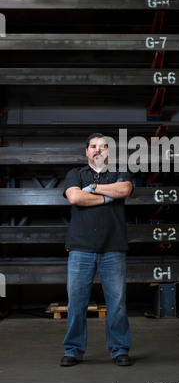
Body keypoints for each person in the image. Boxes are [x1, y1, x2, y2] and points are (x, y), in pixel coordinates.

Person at [60, 133, 133, 367]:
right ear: (87, 151)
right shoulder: (75, 174)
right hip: (80, 248)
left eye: (103, 147)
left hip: (113, 247)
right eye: (93, 146)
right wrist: (106, 197)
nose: (98, 150)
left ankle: (119, 349)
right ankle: (73, 350)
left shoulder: (120, 174)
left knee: (117, 303)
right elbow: (74, 197)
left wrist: (91, 189)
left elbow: (124, 190)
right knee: (76, 303)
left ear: (109, 152)